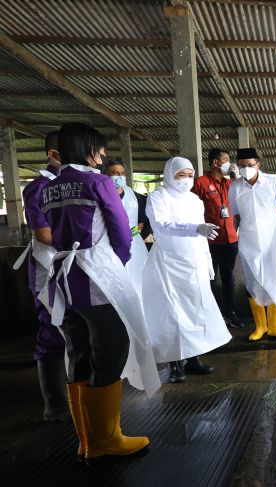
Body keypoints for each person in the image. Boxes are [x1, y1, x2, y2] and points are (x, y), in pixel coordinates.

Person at [41, 122, 160, 463]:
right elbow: (121, 229)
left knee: (78, 352)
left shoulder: (51, 186)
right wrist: (119, 262)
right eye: (100, 150)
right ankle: (106, 439)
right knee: (111, 348)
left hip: (64, 279)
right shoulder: (97, 181)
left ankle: (86, 440)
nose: (103, 156)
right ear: (89, 150)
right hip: (96, 276)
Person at [143, 157, 232, 383]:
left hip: (193, 261)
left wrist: (207, 263)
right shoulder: (158, 196)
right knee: (173, 313)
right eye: (180, 175)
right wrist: (194, 228)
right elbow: (161, 226)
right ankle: (175, 364)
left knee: (195, 310)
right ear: (169, 175)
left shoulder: (194, 199)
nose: (186, 180)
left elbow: (202, 237)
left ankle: (194, 359)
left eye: (190, 175)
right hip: (169, 262)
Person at [14, 130, 69, 422]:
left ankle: (77, 396)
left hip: (73, 262)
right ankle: (56, 405)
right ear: (53, 155)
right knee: (52, 329)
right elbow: (44, 233)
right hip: (48, 264)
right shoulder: (39, 187)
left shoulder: (75, 182)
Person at [229, 148, 276, 341]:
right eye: (242, 166)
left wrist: (265, 223)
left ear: (258, 164)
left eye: (250, 165)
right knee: (253, 281)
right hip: (248, 239)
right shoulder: (234, 187)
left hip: (272, 240)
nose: (246, 169)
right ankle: (260, 327)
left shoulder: (272, 182)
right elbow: (236, 214)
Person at [191, 148, 244, 329]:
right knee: (210, 279)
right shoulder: (201, 183)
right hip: (210, 242)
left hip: (230, 239)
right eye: (227, 160)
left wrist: (236, 177)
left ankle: (232, 313)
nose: (230, 163)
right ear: (216, 163)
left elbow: (242, 196)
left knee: (229, 278)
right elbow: (190, 209)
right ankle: (214, 317)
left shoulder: (229, 184)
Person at [103, 158, 148, 295]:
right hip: (109, 246)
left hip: (135, 245)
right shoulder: (101, 195)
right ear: (105, 175)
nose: (120, 176)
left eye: (122, 173)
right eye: (115, 173)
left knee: (138, 283)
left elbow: (140, 220)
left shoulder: (133, 195)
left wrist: (130, 234)